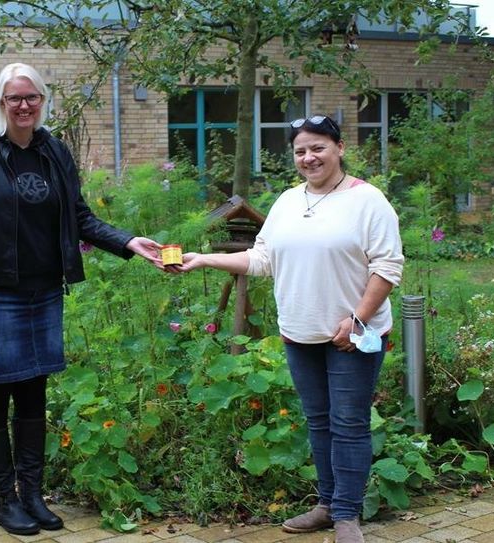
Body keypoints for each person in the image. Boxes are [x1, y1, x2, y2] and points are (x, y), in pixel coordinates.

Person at [0, 62, 162, 536]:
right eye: (14, 98)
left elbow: (79, 217)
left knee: (34, 391)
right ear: (1, 102)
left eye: (32, 97)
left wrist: (127, 242)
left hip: (42, 292)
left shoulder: (54, 151)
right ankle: (3, 500)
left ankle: (33, 494)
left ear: (43, 101)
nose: (23, 106)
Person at [167, 115, 403, 543]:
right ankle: (327, 504)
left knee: (348, 423)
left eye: (318, 148)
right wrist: (203, 258)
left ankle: (347, 516)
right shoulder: (288, 201)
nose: (308, 158)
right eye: (300, 151)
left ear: (339, 148)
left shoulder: (369, 201)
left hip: (351, 336)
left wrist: (358, 319)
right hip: (300, 332)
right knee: (318, 422)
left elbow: (387, 266)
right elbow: (262, 259)